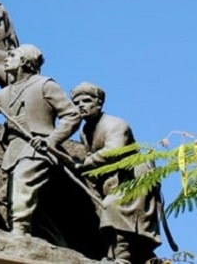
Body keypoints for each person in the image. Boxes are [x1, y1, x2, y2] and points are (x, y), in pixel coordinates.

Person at [0, 45, 81, 241]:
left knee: (23, 180)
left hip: (38, 146)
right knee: (14, 193)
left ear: (24, 61)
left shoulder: (45, 85)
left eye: (12, 55)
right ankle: (38, 234)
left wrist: (51, 139)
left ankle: (20, 230)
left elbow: (72, 114)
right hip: (16, 148)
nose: (6, 58)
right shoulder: (6, 93)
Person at [70, 82, 162, 264]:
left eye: (86, 101)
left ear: (98, 103)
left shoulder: (116, 125)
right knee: (102, 209)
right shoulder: (85, 131)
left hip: (134, 177)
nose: (81, 105)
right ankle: (125, 255)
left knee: (113, 207)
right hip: (111, 180)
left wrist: (83, 165)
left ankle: (123, 258)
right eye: (76, 102)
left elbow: (113, 152)